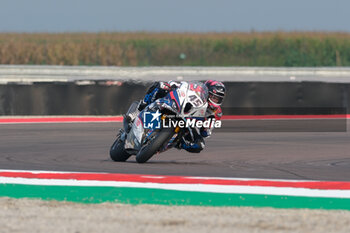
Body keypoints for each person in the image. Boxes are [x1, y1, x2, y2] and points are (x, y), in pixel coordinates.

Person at [129, 80, 226, 153]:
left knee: (200, 145)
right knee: (160, 85)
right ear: (207, 92)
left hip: (188, 126)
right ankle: (140, 109)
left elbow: (205, 133)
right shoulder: (197, 90)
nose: (215, 100)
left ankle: (178, 143)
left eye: (218, 99)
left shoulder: (216, 113)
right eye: (213, 97)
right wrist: (172, 85)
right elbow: (183, 85)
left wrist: (206, 125)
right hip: (178, 109)